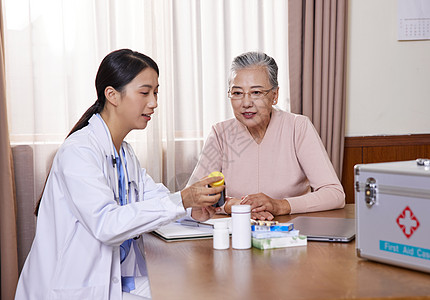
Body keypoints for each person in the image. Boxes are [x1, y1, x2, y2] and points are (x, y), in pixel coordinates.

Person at [15, 49, 224, 300]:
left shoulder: (124, 152)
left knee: (199, 286)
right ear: (112, 95)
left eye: (156, 92)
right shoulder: (79, 151)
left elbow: (154, 197)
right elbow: (107, 224)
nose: (154, 102)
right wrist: (182, 200)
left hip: (113, 279)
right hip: (73, 288)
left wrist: (193, 207)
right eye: (145, 92)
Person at [188, 51, 345, 220]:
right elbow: (192, 199)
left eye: (256, 92)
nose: (246, 103)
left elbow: (334, 194)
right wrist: (232, 205)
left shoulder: (298, 127)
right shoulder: (220, 133)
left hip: (291, 230)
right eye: (237, 93)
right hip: (236, 231)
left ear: (274, 95)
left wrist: (280, 205)